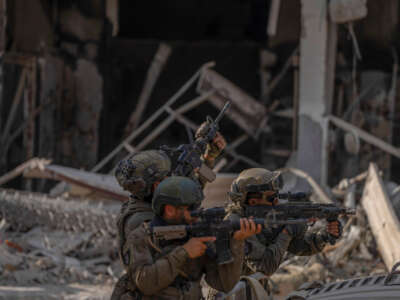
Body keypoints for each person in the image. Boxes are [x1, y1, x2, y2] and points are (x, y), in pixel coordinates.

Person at [112, 176, 260, 300]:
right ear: (169, 210)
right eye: (191, 209)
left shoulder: (197, 233)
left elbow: (224, 284)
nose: (197, 213)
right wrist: (184, 252)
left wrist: (237, 242)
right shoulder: (142, 236)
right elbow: (146, 283)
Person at [227, 168, 342, 278]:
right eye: (271, 198)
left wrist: (323, 236)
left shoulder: (262, 219)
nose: (277, 202)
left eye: (277, 195)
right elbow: (266, 267)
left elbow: (297, 247)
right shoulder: (237, 225)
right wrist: (287, 232)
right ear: (253, 202)